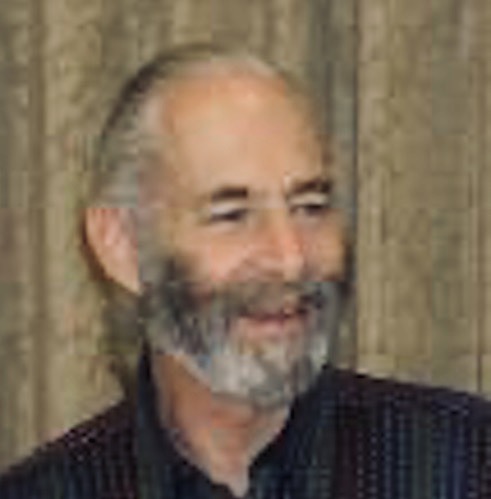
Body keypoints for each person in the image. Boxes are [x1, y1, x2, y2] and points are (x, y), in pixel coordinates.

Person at [1, 43, 491, 499]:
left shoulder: (466, 465)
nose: (290, 259)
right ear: (122, 246)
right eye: (232, 215)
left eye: (310, 206)